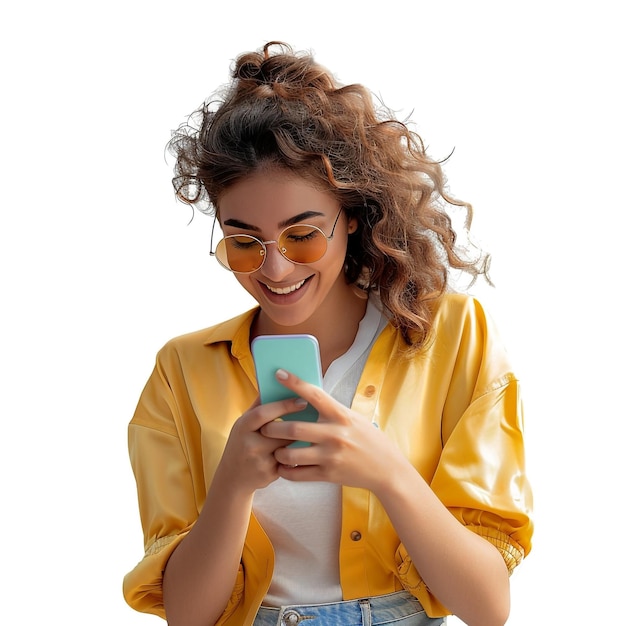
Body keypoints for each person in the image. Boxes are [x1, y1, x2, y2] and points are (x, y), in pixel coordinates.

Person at [123, 41, 533, 626]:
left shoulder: (454, 335)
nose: (276, 269)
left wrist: (388, 473)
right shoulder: (182, 370)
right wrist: (233, 487)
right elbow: (189, 617)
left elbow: (488, 607)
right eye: (244, 242)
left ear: (353, 218)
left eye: (303, 235)